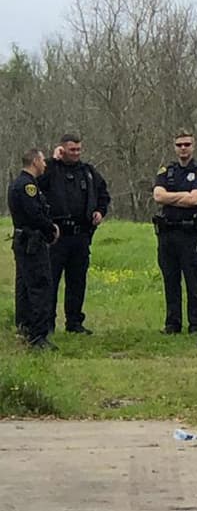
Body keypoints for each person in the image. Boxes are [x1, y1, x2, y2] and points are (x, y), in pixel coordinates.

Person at [39, 133, 111, 335]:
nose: (76, 153)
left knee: (77, 281)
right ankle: (47, 323)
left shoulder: (88, 172)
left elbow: (103, 194)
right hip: (57, 236)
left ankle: (74, 322)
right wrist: (52, 160)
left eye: (79, 149)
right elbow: (37, 183)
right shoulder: (51, 169)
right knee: (51, 281)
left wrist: (100, 211)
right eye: (72, 150)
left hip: (81, 236)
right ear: (62, 149)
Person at [152, 129, 197, 335]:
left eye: (187, 144)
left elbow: (195, 199)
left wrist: (172, 196)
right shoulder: (166, 171)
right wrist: (182, 196)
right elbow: (158, 196)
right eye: (179, 145)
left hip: (190, 234)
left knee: (193, 280)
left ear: (193, 145)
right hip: (167, 233)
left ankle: (196, 324)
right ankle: (172, 324)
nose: (183, 148)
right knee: (170, 280)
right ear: (174, 147)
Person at [8, 148, 59, 349]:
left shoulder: (18, 183)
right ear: (36, 161)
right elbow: (35, 214)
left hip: (23, 240)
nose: (45, 165)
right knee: (40, 286)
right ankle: (38, 336)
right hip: (32, 243)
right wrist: (51, 229)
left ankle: (24, 328)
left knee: (25, 287)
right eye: (43, 161)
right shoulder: (28, 186)